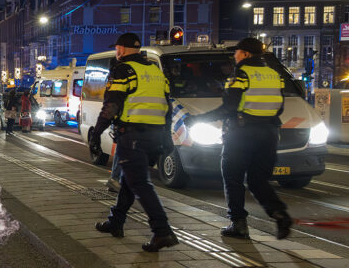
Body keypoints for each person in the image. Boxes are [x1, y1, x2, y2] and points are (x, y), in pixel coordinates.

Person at [186, 37, 293, 239]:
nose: (234, 56)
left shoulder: (241, 74)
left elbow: (229, 108)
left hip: (242, 134)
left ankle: (239, 224)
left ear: (245, 54)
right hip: (269, 133)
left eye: (237, 52)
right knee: (258, 179)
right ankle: (279, 213)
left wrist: (199, 119)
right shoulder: (273, 74)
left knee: (232, 177)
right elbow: (280, 107)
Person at [90, 33, 179, 252]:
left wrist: (97, 132)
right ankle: (116, 222)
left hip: (133, 134)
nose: (117, 52)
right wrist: (166, 136)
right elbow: (168, 106)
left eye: (118, 48)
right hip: (155, 134)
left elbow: (112, 105)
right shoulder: (155, 71)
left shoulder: (123, 70)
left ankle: (162, 231)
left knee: (140, 183)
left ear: (122, 49)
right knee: (129, 179)